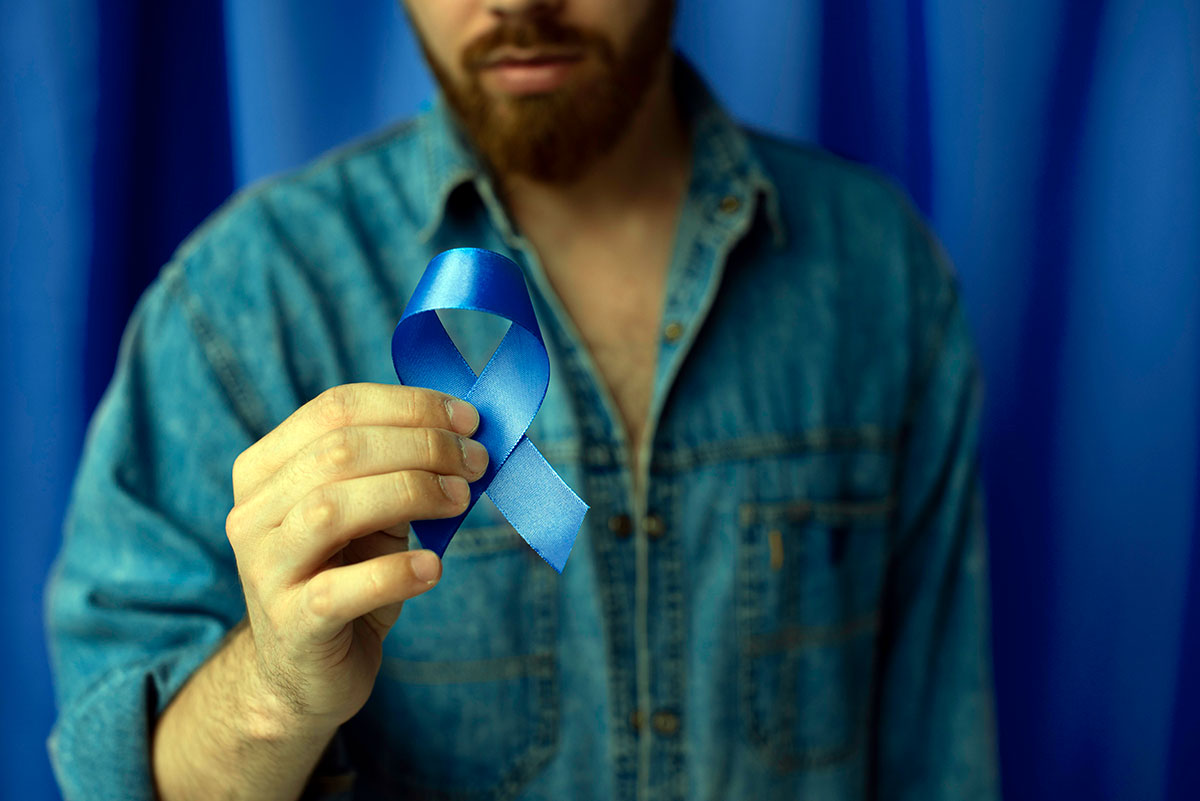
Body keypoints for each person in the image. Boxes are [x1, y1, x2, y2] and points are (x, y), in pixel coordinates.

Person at [46, 1, 1000, 799]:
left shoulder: (879, 273)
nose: (517, 3)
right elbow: (115, 779)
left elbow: (941, 758)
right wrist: (274, 692)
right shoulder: (241, 303)